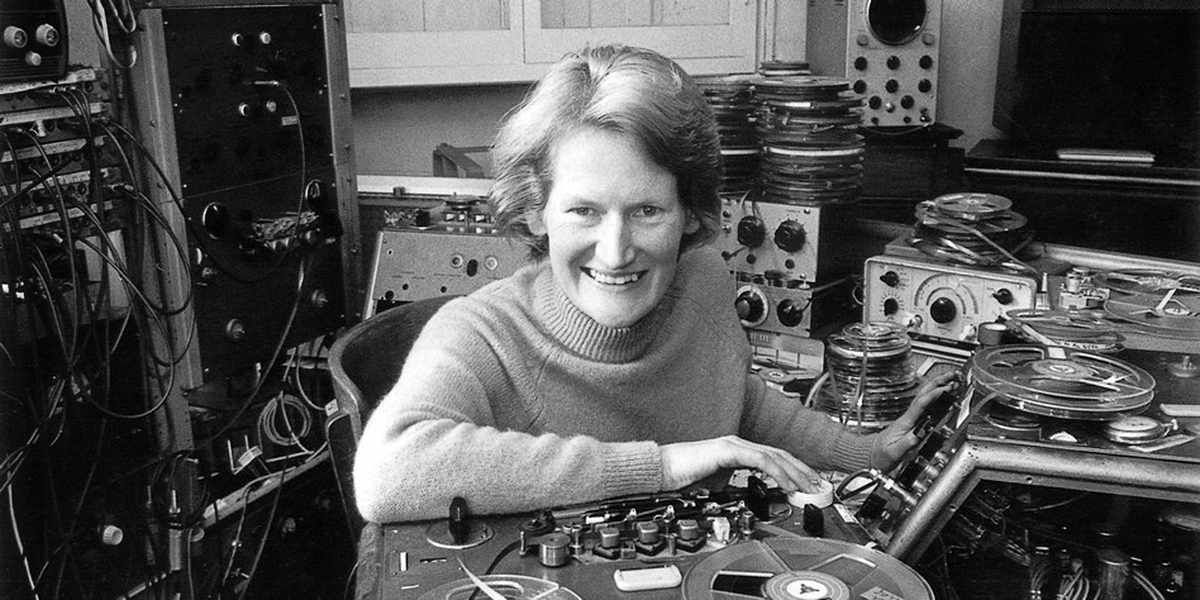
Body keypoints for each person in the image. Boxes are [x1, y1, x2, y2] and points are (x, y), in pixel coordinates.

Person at [353, 44, 954, 523]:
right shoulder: (479, 333)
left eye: (647, 211)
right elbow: (387, 474)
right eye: (584, 211)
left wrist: (869, 452)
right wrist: (660, 467)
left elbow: (733, 397)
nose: (615, 253)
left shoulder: (702, 279)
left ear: (690, 212)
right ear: (536, 211)